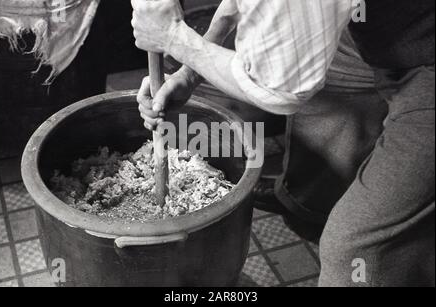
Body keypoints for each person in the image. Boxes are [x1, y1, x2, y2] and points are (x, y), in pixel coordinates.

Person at [131, 0, 435, 287]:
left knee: (357, 250)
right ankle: (309, 211)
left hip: (427, 58)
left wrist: (173, 38)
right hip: (374, 19)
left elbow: (279, 93)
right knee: (328, 108)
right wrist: (189, 73)